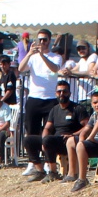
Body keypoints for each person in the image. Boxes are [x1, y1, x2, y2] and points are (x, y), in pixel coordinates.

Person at [19, 30, 65, 181]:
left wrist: (42, 56)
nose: (42, 42)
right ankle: (33, 162)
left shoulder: (55, 56)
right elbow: (20, 68)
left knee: (48, 133)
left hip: (50, 99)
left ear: (50, 40)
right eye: (40, 40)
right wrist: (29, 53)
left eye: (45, 40)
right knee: (31, 132)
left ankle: (48, 163)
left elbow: (54, 69)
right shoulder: (32, 57)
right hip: (34, 98)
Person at [39, 79, 89, 181]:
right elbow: (47, 128)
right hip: (56, 139)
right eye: (59, 91)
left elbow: (88, 126)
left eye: (64, 91)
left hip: (70, 141)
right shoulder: (54, 109)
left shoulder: (77, 108)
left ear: (69, 93)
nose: (61, 94)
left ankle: (53, 172)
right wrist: (43, 140)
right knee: (29, 140)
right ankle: (39, 171)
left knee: (48, 140)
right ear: (55, 93)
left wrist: (74, 134)